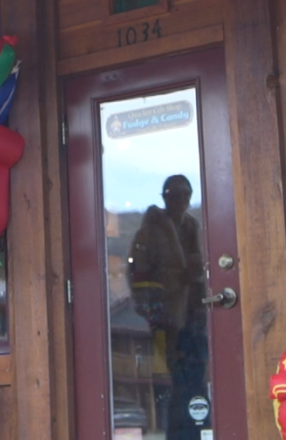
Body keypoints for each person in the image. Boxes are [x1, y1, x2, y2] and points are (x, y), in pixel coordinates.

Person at [128, 174, 209, 440]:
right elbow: (137, 275)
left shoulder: (192, 227)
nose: (181, 199)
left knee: (197, 376)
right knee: (169, 379)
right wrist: (152, 309)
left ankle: (198, 431)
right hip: (165, 317)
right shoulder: (150, 231)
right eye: (175, 194)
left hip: (197, 314)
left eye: (185, 194)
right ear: (166, 197)